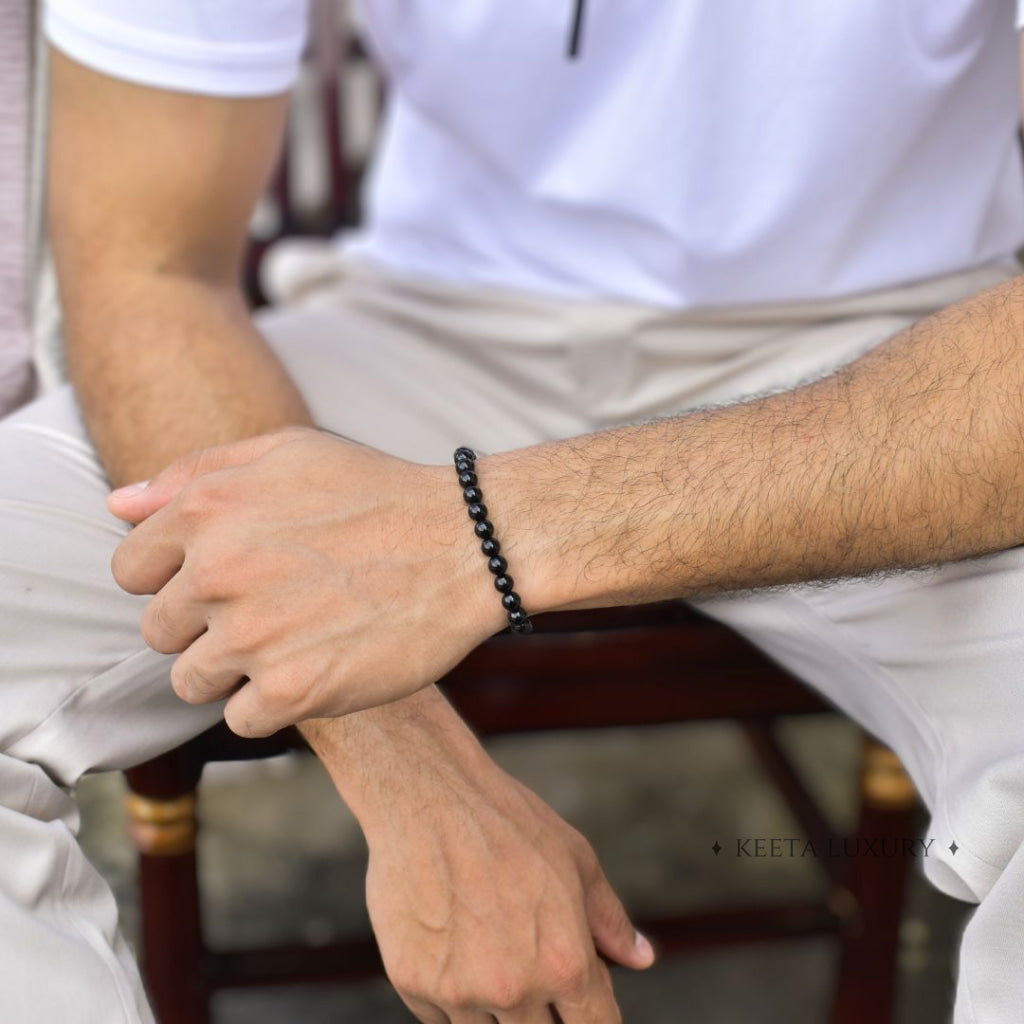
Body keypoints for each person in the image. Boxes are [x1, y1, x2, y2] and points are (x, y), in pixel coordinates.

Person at [6, 0, 1024, 1020]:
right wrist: (414, 778)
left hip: (912, 362)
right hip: (427, 327)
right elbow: (150, 270)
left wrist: (471, 535)